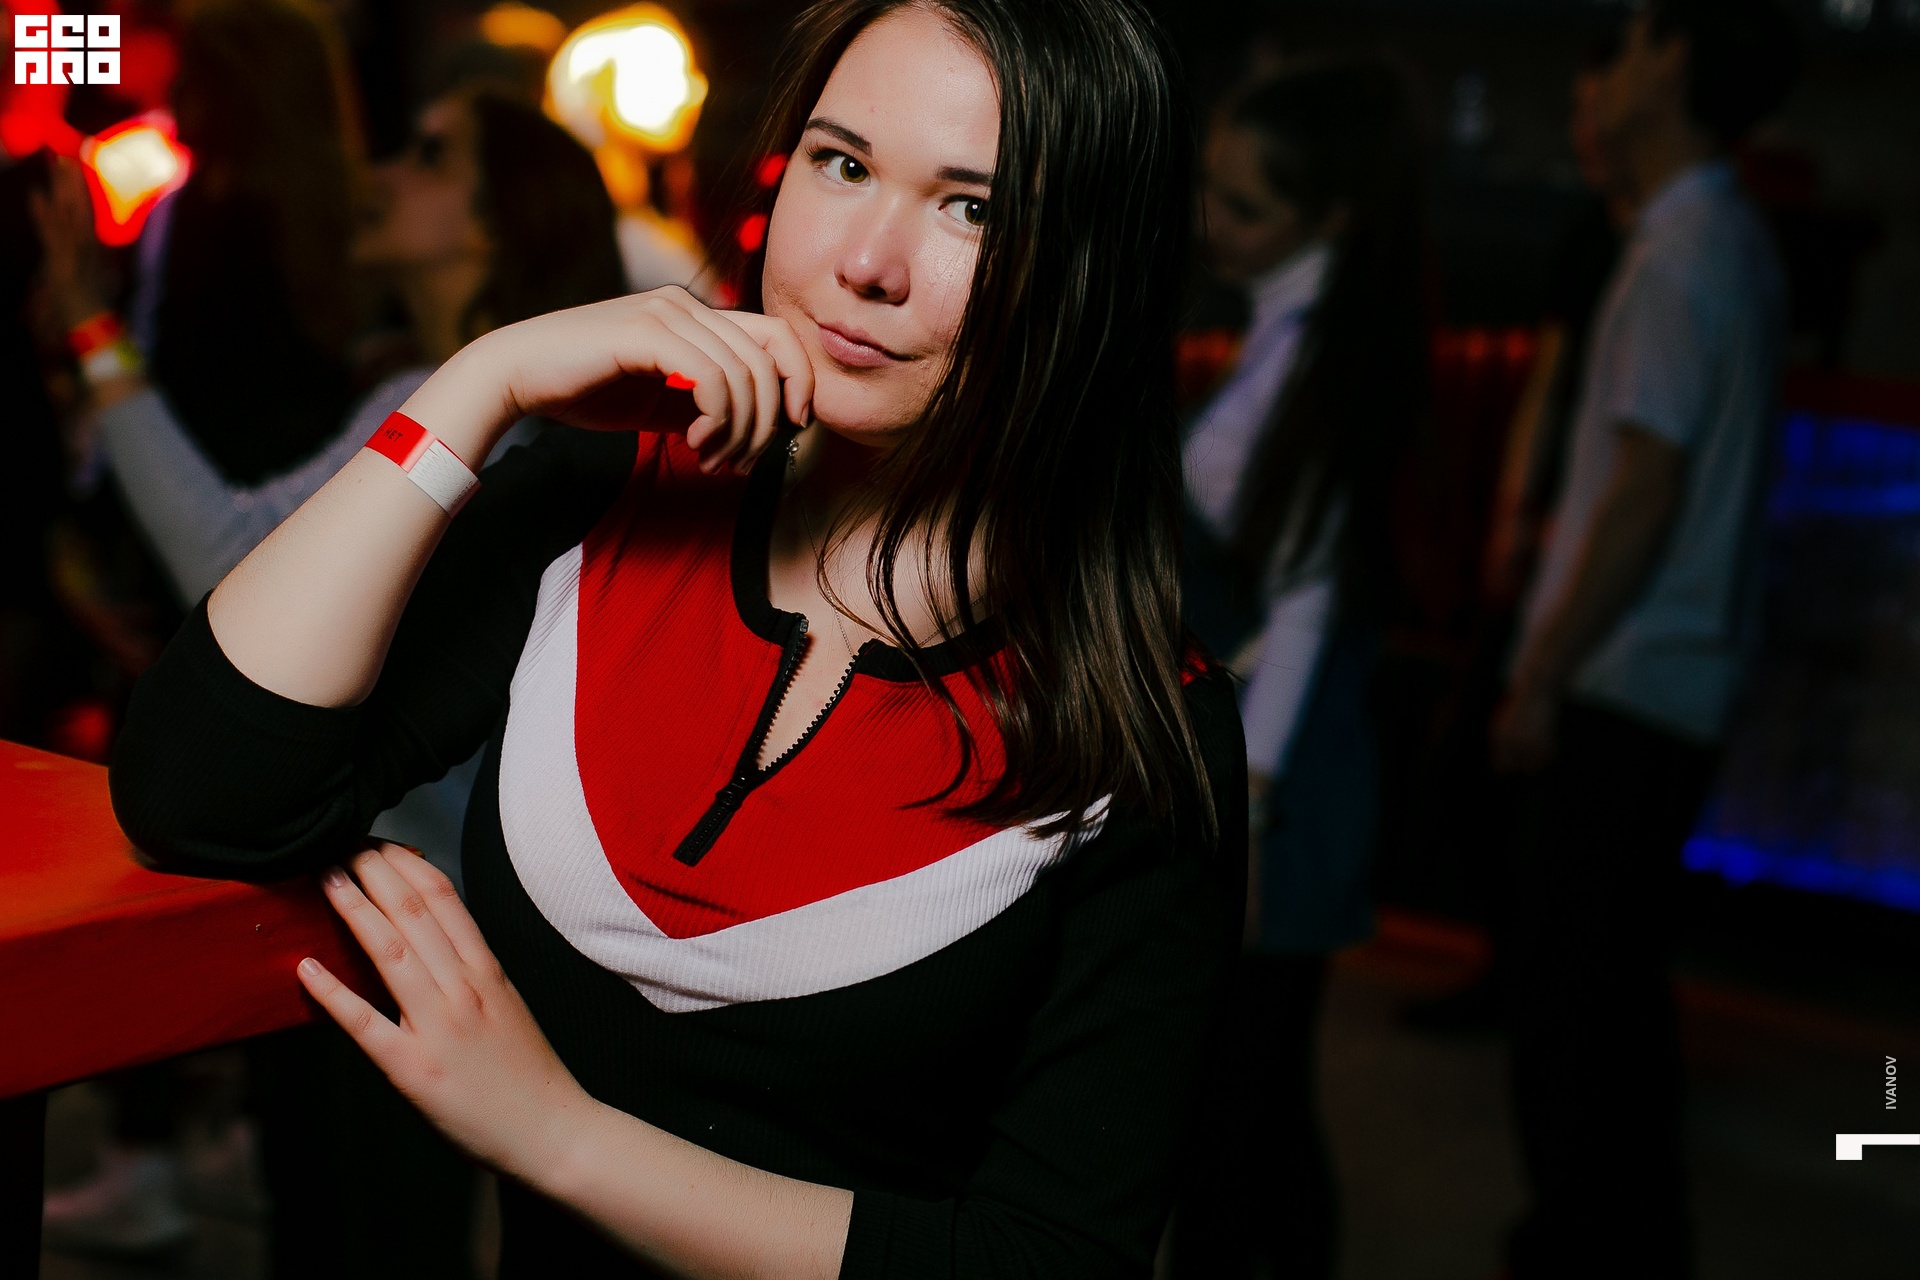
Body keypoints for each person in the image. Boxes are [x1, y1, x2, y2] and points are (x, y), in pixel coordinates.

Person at [110, 2, 1247, 1278]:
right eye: (843, 162)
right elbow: (197, 793)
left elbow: (1049, 1260)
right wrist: (479, 383)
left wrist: (559, 1135)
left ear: (1095, 268)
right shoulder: (599, 507)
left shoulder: (1144, 725)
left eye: (972, 207)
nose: (864, 262)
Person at [1490, 2, 1799, 1275]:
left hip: (1629, 677)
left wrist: (1542, 670)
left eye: (1623, 45)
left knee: (1574, 999)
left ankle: (1589, 1243)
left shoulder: (1680, 252)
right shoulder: (1722, 237)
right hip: (1671, 673)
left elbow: (1643, 487)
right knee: (1610, 991)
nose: (1606, 75)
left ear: (1674, 63)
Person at [1169, 61, 1426, 1280]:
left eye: (1245, 205)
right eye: (1212, 190)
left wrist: (1254, 804)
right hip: (1264, 756)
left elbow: (1309, 606)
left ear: (1331, 219)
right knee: (1243, 1090)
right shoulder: (1291, 330)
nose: (1212, 222)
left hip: (1282, 770)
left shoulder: (1323, 360)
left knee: (1246, 1093)